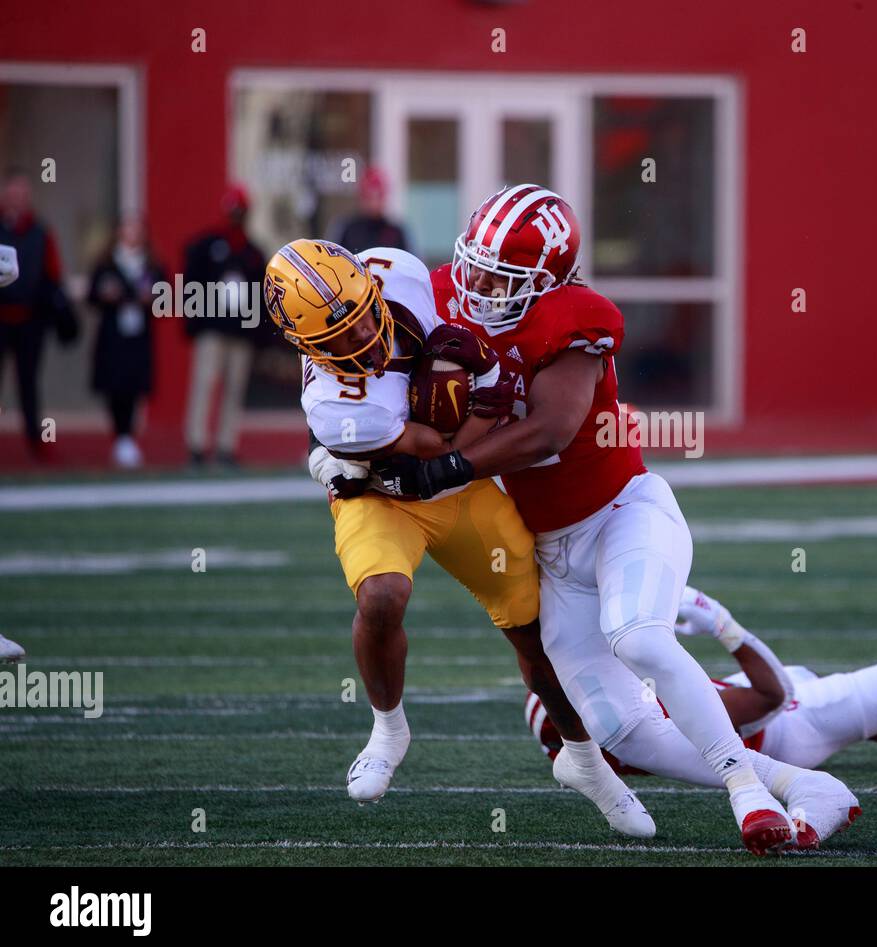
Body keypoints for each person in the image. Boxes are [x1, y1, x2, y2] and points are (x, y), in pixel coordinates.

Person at [375, 185, 859, 855]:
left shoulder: (575, 320)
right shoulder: (441, 292)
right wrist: (346, 440)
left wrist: (447, 471)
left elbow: (550, 429)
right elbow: (380, 375)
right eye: (474, 263)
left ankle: (745, 792)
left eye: (502, 276)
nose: (478, 284)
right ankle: (806, 785)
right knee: (618, 727)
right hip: (551, 551)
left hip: (622, 516)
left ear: (549, 281)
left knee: (638, 637)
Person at [265, 239, 652, 837]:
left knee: (533, 628)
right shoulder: (337, 403)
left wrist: (484, 383)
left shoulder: (404, 277)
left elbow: (461, 426)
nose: (358, 338)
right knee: (381, 597)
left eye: (361, 315)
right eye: (335, 339)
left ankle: (584, 759)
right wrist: (470, 410)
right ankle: (388, 728)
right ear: (305, 349)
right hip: (384, 498)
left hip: (458, 494)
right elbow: (433, 449)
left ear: (373, 285)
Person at [526, 585, 877, 774]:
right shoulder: (653, 725)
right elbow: (774, 694)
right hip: (791, 729)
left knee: (804, 673)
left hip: (764, 717)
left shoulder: (610, 737)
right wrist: (723, 624)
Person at [182, 183, 267, 467]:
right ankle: (196, 444)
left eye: (240, 211)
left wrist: (259, 331)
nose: (237, 216)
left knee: (234, 389)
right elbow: (191, 279)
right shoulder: (208, 245)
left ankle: (226, 446)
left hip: (241, 332)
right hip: (212, 329)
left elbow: (261, 294)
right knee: (204, 384)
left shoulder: (253, 253)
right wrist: (193, 318)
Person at [0, 169, 76, 459]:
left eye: (23, 193)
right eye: (13, 192)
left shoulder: (40, 232)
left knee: (29, 381)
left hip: (30, 320)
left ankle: (36, 440)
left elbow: (52, 274)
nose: (18, 199)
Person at [86, 215, 165, 469]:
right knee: (115, 386)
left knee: (134, 387)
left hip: (138, 338)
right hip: (113, 337)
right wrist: (106, 295)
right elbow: (92, 296)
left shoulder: (152, 265)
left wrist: (150, 299)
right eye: (128, 229)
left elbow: (165, 300)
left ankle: (128, 437)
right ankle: (120, 437)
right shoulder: (106, 265)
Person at [331, 167, 409, 255]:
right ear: (361, 197)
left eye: (377, 197)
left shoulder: (395, 232)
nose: (373, 203)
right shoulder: (348, 230)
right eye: (369, 197)